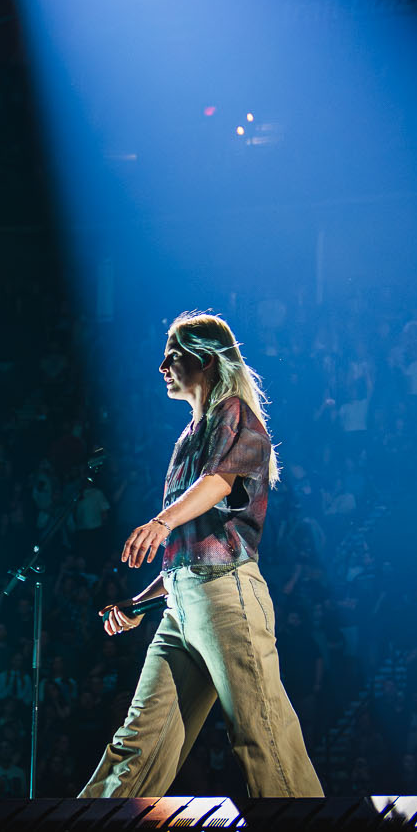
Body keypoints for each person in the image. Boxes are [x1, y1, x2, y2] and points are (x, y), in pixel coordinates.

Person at [80, 311, 324, 803]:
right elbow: (184, 554)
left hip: (227, 596)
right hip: (182, 607)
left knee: (264, 739)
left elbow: (218, 483)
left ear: (206, 361)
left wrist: (159, 521)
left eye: (174, 354)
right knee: (138, 746)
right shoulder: (188, 438)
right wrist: (138, 603)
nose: (163, 365)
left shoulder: (233, 411)